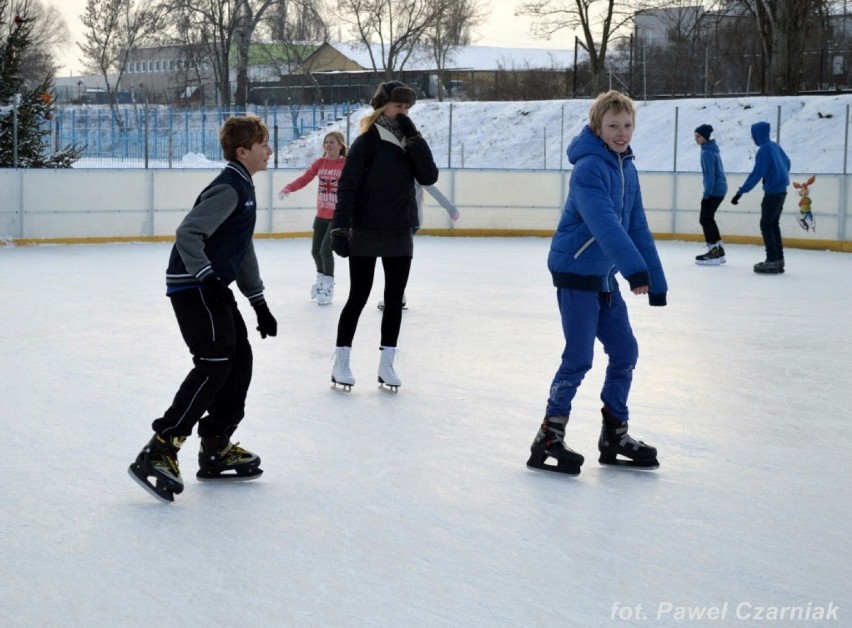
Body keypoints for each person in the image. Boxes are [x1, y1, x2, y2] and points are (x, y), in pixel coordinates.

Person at [128, 115, 278, 502]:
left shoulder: (243, 186)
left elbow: (240, 247)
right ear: (243, 152)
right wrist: (208, 277)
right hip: (194, 287)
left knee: (238, 359)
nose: (270, 150)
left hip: (211, 285)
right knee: (214, 363)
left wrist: (258, 302)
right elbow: (188, 233)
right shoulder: (230, 187)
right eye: (263, 144)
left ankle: (216, 445)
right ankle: (161, 446)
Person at [526, 90, 667, 477]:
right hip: (576, 272)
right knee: (579, 357)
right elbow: (604, 223)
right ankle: (549, 435)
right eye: (613, 126)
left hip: (604, 275)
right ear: (597, 127)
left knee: (625, 352)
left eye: (627, 125)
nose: (621, 133)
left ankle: (615, 433)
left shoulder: (627, 167)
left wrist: (654, 278)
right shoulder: (588, 168)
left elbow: (636, 223)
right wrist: (634, 270)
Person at [329, 81, 439, 391]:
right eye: (398, 106)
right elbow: (347, 187)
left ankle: (386, 363)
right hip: (365, 228)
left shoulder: (410, 143)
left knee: (394, 300)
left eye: (407, 108)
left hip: (399, 230)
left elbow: (428, 176)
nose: (403, 112)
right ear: (382, 107)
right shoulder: (367, 142)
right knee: (358, 297)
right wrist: (341, 227)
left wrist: (415, 138)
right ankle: (341, 361)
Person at [279, 131, 347, 305]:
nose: (329, 145)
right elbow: (305, 179)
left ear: (340, 145)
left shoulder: (346, 165)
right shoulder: (320, 163)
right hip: (321, 214)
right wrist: (289, 188)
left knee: (326, 249)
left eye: (332, 142)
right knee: (315, 251)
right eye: (326, 142)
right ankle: (321, 279)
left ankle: (329, 285)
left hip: (337, 216)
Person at [731, 121, 791, 274]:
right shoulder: (775, 146)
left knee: (766, 225)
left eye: (753, 135)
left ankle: (772, 260)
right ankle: (779, 259)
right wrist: (778, 175)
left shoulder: (764, 150)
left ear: (758, 134)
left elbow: (756, 173)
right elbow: (787, 162)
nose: (753, 138)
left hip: (772, 193)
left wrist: (741, 191)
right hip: (782, 190)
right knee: (773, 225)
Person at [693, 124, 728, 265]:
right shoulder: (711, 149)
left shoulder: (707, 153)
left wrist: (706, 195)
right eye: (695, 136)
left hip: (715, 190)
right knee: (708, 218)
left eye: (698, 136)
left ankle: (713, 251)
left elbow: (710, 177)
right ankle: (719, 250)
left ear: (705, 137)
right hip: (720, 189)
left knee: (705, 219)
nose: (696, 139)